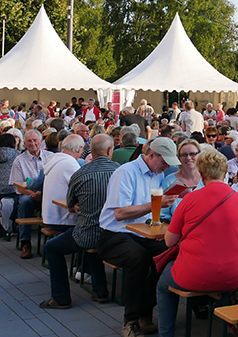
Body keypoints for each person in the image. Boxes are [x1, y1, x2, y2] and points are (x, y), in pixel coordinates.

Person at [157, 148, 238, 337]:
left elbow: (169, 242)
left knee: (163, 285)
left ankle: (166, 334)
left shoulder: (189, 199)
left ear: (201, 174)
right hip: (236, 274)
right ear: (225, 173)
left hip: (193, 274)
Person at [97, 137, 182, 337]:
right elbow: (120, 213)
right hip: (115, 233)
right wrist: (156, 205)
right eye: (165, 161)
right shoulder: (125, 172)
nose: (167, 166)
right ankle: (131, 319)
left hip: (143, 232)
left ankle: (145, 311)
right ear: (151, 155)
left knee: (168, 253)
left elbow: (151, 213)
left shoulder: (156, 174)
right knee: (139, 258)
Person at [40, 134, 117, 309]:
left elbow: (70, 206)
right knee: (91, 242)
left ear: (90, 151)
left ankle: (61, 297)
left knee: (52, 247)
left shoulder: (80, 173)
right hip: (114, 233)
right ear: (109, 150)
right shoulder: (120, 171)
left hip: (88, 233)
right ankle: (100, 289)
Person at [10, 129, 54, 259]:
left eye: (35, 140)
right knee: (24, 201)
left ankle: (54, 241)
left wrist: (43, 193)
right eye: (29, 141)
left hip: (48, 194)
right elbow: (18, 185)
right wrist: (34, 194)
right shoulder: (19, 160)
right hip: (29, 196)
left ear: (41, 141)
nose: (32, 143)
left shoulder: (50, 157)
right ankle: (25, 242)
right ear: (24, 143)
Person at [41, 134, 84, 235]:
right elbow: (82, 189)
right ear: (79, 149)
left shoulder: (54, 160)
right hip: (63, 219)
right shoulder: (70, 163)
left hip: (50, 216)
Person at [161, 140, 205, 220]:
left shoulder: (207, 179)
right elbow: (163, 214)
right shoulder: (169, 181)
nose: (188, 158)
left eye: (192, 154)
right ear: (179, 158)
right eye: (184, 155)